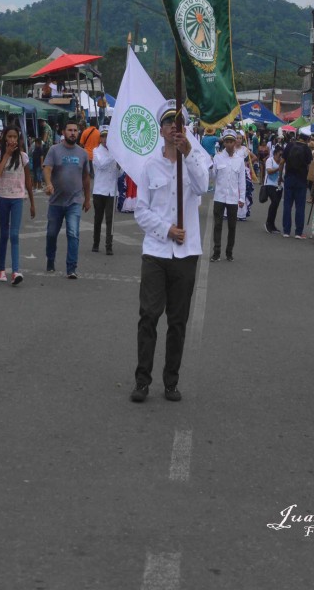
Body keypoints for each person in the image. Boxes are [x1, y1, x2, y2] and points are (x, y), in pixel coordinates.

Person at [130, 101, 209, 403]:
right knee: (148, 315)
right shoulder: (150, 166)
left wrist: (189, 153)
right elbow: (141, 211)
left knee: (177, 321)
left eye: (178, 123)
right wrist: (166, 229)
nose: (173, 128)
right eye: (168, 123)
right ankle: (142, 380)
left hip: (186, 254)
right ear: (161, 130)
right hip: (156, 252)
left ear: (185, 128)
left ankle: (171, 381)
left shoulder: (195, 159)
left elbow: (203, 186)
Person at [43, 120, 91, 278]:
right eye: (69, 130)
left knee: (73, 233)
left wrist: (87, 199)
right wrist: (49, 183)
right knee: (51, 234)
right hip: (56, 201)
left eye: (75, 130)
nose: (72, 133)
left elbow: (85, 177)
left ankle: (71, 268)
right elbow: (47, 168)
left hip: (74, 201)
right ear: (63, 132)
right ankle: (50, 259)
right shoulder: (54, 150)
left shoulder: (82, 153)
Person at [0, 126, 35, 284]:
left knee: (14, 235)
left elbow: (28, 180)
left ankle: (16, 271)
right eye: (9, 137)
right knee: (4, 234)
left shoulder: (23, 157)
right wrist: (7, 154)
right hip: (3, 197)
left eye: (15, 137)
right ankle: (1, 269)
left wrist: (32, 202)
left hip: (18, 197)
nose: (12, 140)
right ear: (5, 138)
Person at [210, 128, 245, 261]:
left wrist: (242, 198)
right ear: (224, 143)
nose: (229, 144)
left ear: (235, 142)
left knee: (232, 226)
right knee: (217, 225)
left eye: (232, 141)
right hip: (219, 197)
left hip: (233, 198)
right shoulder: (218, 157)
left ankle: (229, 252)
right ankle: (216, 252)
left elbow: (242, 181)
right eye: (227, 141)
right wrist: (211, 165)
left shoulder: (240, 160)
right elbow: (213, 176)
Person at [92, 126, 119, 254]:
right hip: (99, 190)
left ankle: (109, 246)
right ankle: (95, 243)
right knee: (98, 219)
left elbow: (119, 174)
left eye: (107, 136)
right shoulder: (96, 151)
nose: (105, 139)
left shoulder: (115, 152)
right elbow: (101, 165)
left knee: (110, 220)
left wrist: (120, 166)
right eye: (103, 136)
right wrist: (115, 156)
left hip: (112, 191)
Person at [280, 132, 312, 239]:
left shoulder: (290, 145)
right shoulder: (307, 149)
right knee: (300, 207)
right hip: (301, 180)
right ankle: (298, 232)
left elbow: (282, 162)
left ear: (299, 136)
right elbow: (309, 167)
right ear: (308, 139)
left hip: (289, 178)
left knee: (287, 205)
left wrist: (280, 176)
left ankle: (286, 231)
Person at [263, 146, 283, 234]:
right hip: (270, 184)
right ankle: (268, 223)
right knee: (274, 202)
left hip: (279, 186)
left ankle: (272, 225)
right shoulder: (270, 160)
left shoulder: (282, 162)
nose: (281, 157)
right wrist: (279, 167)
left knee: (276, 205)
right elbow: (269, 171)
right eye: (280, 155)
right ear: (275, 154)